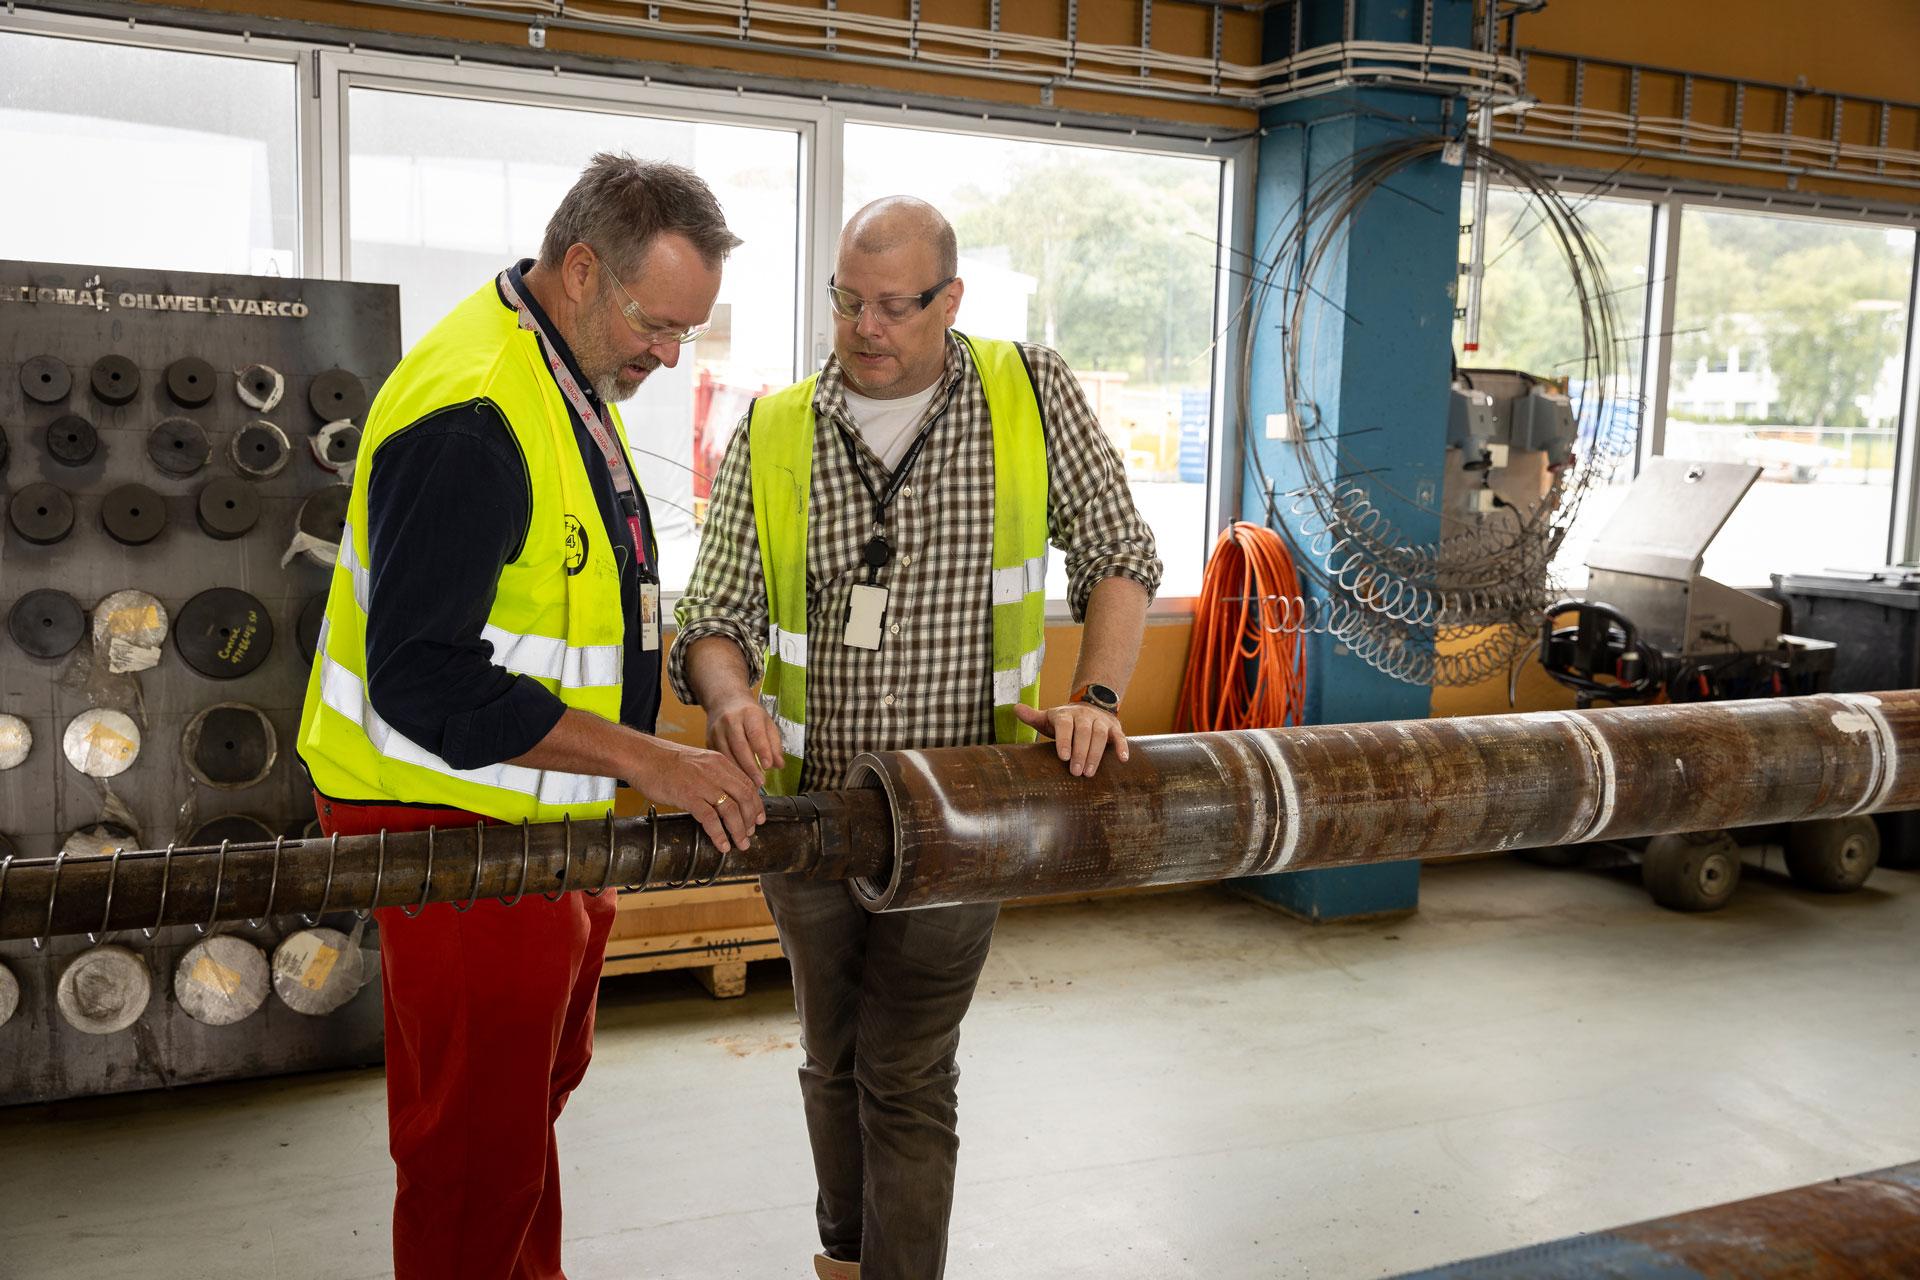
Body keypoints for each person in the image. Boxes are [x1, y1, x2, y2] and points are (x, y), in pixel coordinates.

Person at [296, 152, 766, 1280]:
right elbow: (424, 676)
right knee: (473, 1145)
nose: (669, 353)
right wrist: (648, 759)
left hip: (530, 809)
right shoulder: (476, 412)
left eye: (687, 333)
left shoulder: (560, 374)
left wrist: (680, 730)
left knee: (523, 1105)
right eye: (658, 324)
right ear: (583, 269)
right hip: (447, 823)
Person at [673, 195, 1162, 1279]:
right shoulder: (776, 423)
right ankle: (845, 1257)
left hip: (963, 812)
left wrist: (1101, 693)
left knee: (905, 1067)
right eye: (849, 301)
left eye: (895, 306)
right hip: (807, 812)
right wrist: (728, 694)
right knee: (831, 1056)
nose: (865, 329)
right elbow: (713, 609)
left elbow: (1122, 548)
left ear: (952, 300)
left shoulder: (1029, 393)